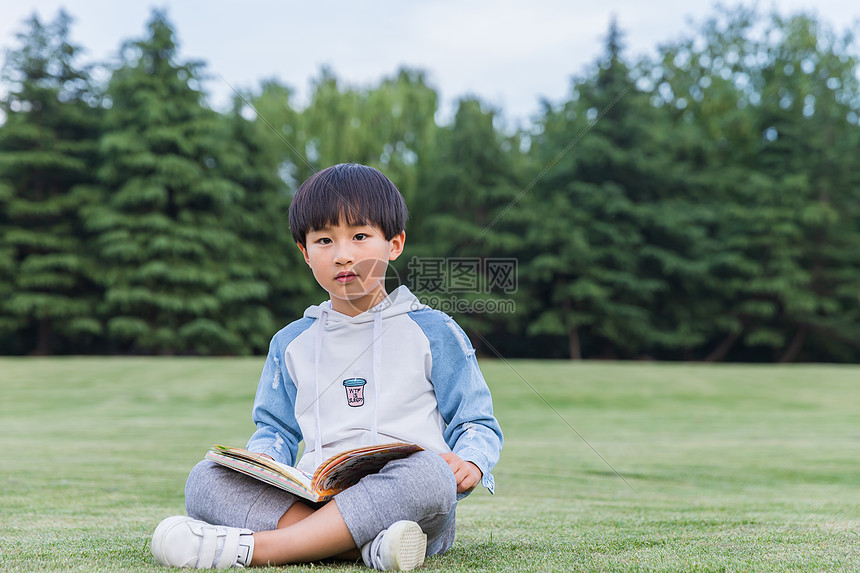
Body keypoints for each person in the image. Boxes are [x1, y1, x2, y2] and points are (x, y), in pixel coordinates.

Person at [150, 163, 503, 570]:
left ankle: (255, 549)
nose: (343, 255)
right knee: (206, 478)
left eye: (359, 235)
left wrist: (472, 462)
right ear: (304, 252)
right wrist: (261, 467)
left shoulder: (435, 331)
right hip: (314, 497)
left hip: (408, 502)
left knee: (428, 473)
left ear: (395, 244)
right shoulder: (290, 343)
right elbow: (275, 431)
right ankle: (367, 549)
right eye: (323, 240)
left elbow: (476, 421)